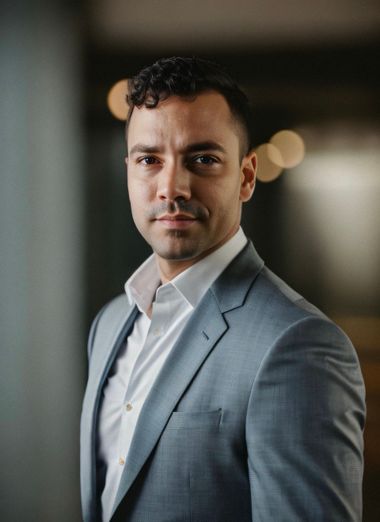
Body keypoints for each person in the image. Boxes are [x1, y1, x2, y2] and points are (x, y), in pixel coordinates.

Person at [80, 56, 365, 522]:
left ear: (247, 177)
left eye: (203, 159)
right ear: (129, 171)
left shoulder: (300, 345)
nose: (171, 187)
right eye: (149, 160)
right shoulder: (109, 324)